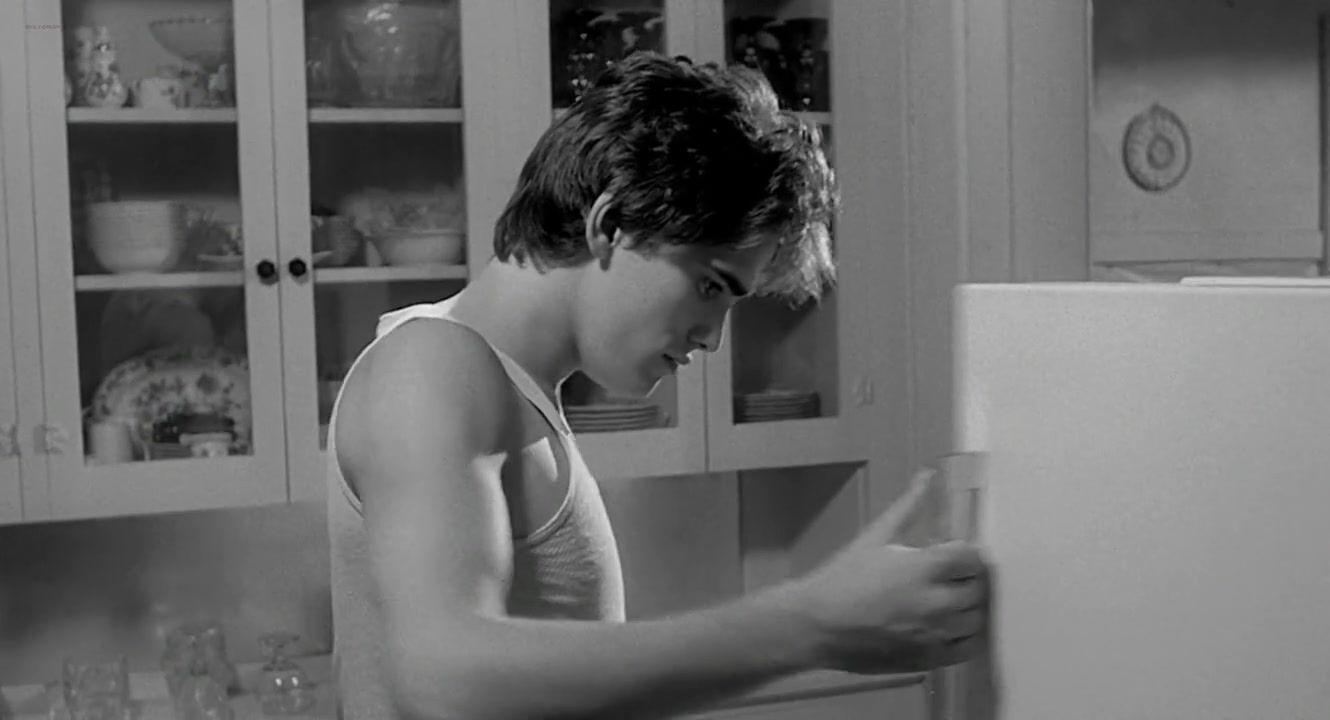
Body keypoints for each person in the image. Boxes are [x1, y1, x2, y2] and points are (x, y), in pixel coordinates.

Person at [326, 52, 990, 720]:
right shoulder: (433, 362)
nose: (713, 338)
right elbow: (442, 678)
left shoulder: (505, 386)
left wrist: (823, 624)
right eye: (710, 286)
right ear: (611, 224)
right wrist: (813, 624)